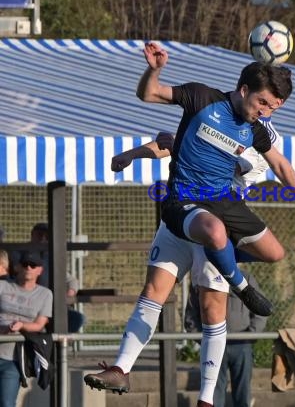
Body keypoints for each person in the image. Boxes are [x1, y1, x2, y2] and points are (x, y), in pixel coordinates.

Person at [85, 118, 282, 407]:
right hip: (179, 216)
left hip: (213, 224)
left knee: (212, 308)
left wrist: (178, 145)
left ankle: (206, 399)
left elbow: (210, 161)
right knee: (152, 291)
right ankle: (121, 369)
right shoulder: (216, 112)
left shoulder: (263, 135)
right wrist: (132, 154)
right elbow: (179, 142)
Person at [136, 41, 295, 317]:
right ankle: (239, 282)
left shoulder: (260, 134)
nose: (265, 112)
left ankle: (221, 258)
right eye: (263, 103)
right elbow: (173, 134)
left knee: (274, 253)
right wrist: (134, 153)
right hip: (192, 207)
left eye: (272, 108)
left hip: (228, 208)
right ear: (245, 90)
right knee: (204, 306)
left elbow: (280, 165)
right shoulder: (207, 103)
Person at [185, 270, 267, 407]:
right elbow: (190, 317)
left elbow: (261, 309)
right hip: (213, 348)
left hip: (241, 346)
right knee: (212, 394)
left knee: (243, 393)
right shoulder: (202, 278)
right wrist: (208, 342)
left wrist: (251, 334)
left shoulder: (245, 279)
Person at [0, 251, 53, 407]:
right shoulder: (3, 286)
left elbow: (39, 324)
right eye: (25, 264)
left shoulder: (45, 294)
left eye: (33, 265)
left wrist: (21, 326)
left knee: (6, 402)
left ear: (39, 270)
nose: (28, 268)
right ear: (17, 267)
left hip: (13, 358)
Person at [30, 223, 85, 333]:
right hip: (29, 304)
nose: (43, 239)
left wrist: (69, 294)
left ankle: (60, 347)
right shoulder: (21, 253)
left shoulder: (52, 257)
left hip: (51, 306)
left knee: (77, 318)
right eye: (39, 235)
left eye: (46, 236)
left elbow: (70, 280)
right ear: (32, 236)